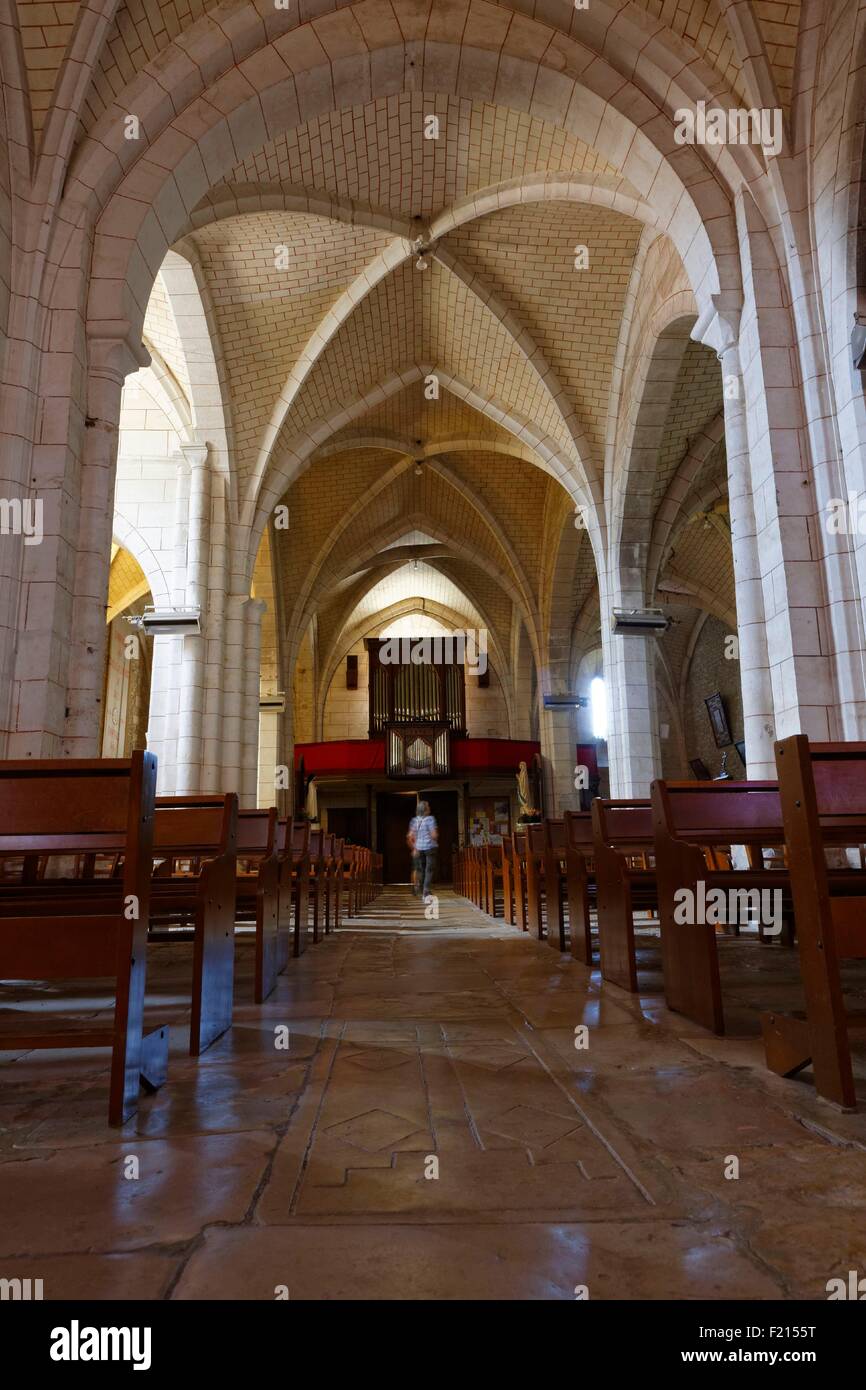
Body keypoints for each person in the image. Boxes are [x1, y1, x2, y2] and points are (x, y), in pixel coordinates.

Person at [407, 800, 438, 898]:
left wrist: (414, 848)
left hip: (419, 848)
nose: (429, 808)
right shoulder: (430, 819)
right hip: (429, 848)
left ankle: (422, 890)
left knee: (422, 869)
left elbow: (410, 836)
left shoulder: (414, 821)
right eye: (428, 806)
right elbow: (433, 835)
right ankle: (426, 890)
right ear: (425, 809)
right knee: (429, 870)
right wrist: (435, 836)